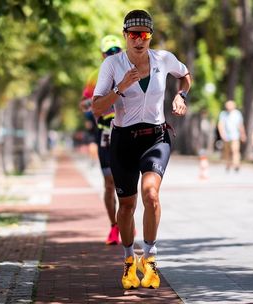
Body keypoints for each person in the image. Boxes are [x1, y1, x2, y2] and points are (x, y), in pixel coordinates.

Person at [92, 9, 191, 289]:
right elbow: (97, 109)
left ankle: (150, 260)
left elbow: (185, 75)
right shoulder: (112, 65)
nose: (139, 40)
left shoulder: (163, 58)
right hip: (123, 140)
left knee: (151, 194)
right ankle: (128, 261)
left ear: (150, 36)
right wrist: (120, 88)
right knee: (126, 206)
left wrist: (180, 95)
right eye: (133, 35)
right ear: (125, 36)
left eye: (144, 35)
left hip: (156, 137)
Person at [79, 35, 124, 245]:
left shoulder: (131, 72)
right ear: (102, 55)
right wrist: (97, 103)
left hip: (126, 129)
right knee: (109, 183)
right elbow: (84, 105)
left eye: (117, 50)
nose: (113, 54)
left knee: (127, 183)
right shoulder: (94, 76)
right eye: (109, 52)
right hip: (105, 131)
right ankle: (114, 227)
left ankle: (127, 225)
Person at [217, 100, 246, 172]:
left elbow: (240, 125)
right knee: (227, 151)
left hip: (235, 135)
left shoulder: (237, 114)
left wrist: (243, 134)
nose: (229, 107)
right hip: (226, 135)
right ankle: (228, 163)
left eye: (230, 105)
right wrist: (222, 134)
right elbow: (220, 124)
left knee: (235, 150)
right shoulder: (223, 114)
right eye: (227, 106)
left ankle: (236, 164)